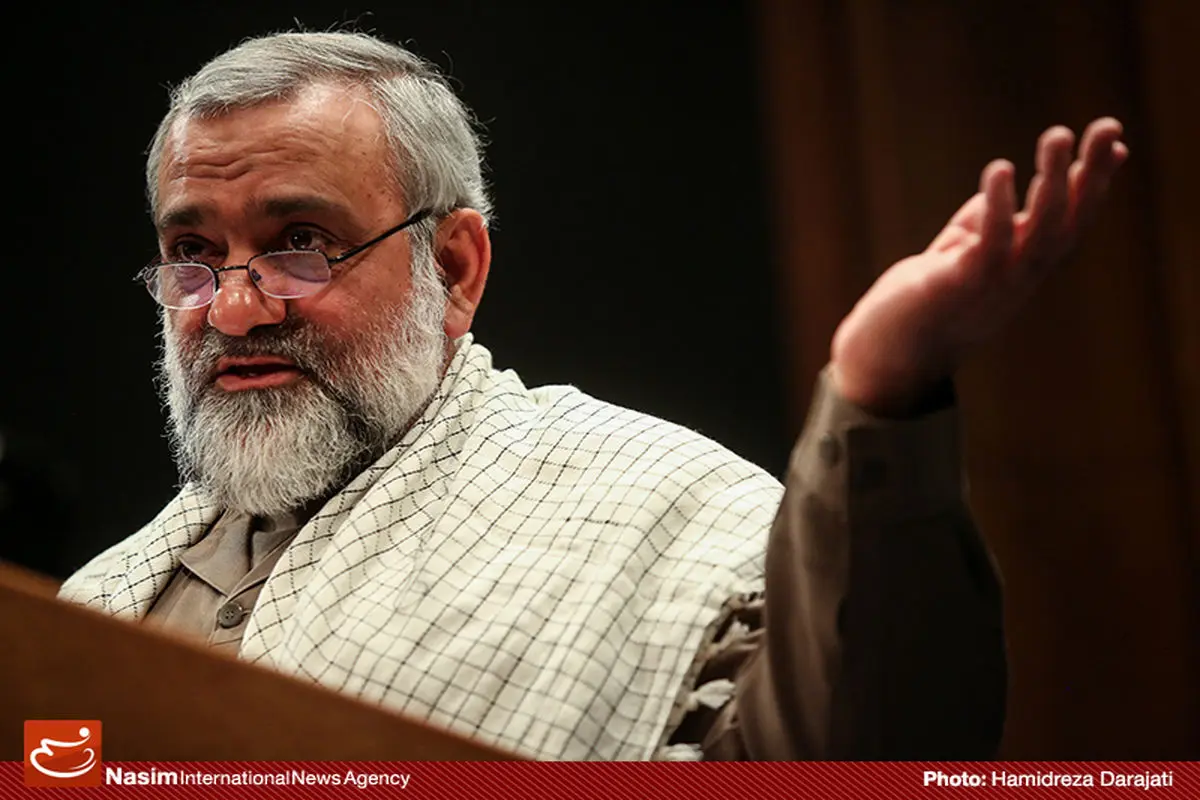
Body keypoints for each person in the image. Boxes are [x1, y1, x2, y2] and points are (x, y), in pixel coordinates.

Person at [59, 31, 1127, 761]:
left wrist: (880, 398)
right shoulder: (99, 602)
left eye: (301, 242)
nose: (234, 308)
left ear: (455, 269)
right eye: (192, 254)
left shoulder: (645, 506)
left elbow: (862, 752)